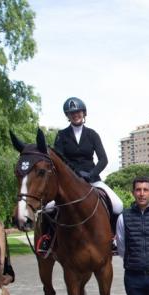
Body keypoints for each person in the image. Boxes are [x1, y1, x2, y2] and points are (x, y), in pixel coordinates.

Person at [37, 96, 123, 254]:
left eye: (78, 112)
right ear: (68, 116)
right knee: (48, 207)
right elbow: (59, 160)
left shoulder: (92, 134)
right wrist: (75, 174)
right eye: (72, 113)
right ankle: (47, 238)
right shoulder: (62, 135)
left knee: (118, 204)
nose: (75, 115)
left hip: (92, 179)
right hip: (68, 181)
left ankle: (113, 239)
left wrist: (91, 174)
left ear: (84, 113)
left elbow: (103, 159)